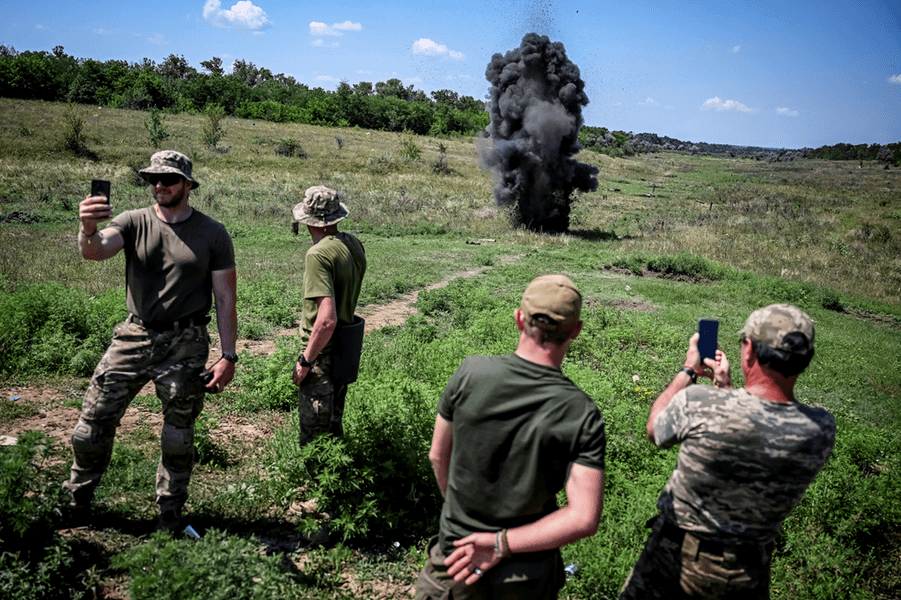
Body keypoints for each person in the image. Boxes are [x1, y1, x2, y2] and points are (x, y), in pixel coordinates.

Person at [62, 150, 238, 532]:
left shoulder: (213, 233)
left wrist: (228, 356)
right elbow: (94, 252)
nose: (159, 186)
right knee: (91, 422)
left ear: (188, 185)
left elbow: (225, 298)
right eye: (152, 179)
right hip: (135, 334)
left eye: (169, 179)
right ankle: (76, 501)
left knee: (178, 433)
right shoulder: (132, 221)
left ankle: (170, 513)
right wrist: (87, 228)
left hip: (186, 340)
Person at [619, 304, 836, 600]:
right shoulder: (820, 429)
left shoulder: (699, 402)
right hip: (749, 572)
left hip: (677, 562)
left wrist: (688, 371)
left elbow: (656, 429)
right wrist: (728, 389)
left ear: (749, 350)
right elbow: (753, 422)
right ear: (805, 360)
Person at [415, 275, 606, 600]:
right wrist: (500, 544)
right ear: (576, 330)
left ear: (519, 318)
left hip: (454, 561)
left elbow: (437, 455)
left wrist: (463, 518)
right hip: (525, 577)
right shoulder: (580, 412)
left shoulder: (470, 373)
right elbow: (583, 518)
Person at [291, 186, 366, 447]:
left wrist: (306, 360)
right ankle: (340, 483)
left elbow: (326, 319)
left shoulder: (318, 254)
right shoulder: (353, 244)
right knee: (334, 429)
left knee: (314, 438)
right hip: (345, 350)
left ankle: (316, 487)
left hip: (323, 355)